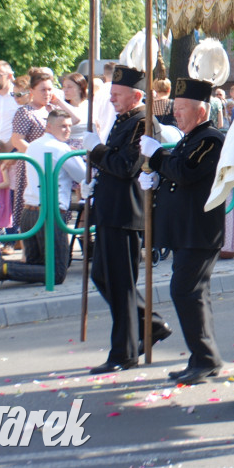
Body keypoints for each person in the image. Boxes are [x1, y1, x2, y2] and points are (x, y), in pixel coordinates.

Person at [83, 65, 172, 374]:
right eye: (111, 95)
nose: (112, 100)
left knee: (121, 284)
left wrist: (96, 151)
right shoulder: (124, 120)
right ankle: (152, 325)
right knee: (103, 277)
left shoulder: (144, 124)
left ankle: (123, 353)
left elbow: (126, 167)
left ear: (136, 95)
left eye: (117, 95)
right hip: (110, 210)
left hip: (126, 214)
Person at [140, 77, 225, 383]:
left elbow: (186, 172)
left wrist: (158, 156)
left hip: (199, 231)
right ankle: (202, 357)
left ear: (201, 111)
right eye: (175, 107)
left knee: (187, 291)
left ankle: (206, 358)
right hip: (185, 231)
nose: (175, 114)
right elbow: (175, 175)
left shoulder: (211, 139)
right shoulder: (190, 138)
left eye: (182, 108)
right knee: (190, 293)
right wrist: (155, 178)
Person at [0, 110, 87, 290]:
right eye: (62, 126)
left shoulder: (34, 145)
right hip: (49, 213)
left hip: (29, 212)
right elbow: (84, 174)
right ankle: (2, 267)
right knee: (57, 273)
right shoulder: (61, 148)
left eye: (69, 126)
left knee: (36, 264)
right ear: (49, 126)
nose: (67, 130)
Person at [10, 71, 56, 229]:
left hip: (53, 166)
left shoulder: (52, 110)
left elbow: (75, 121)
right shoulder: (25, 112)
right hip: (33, 166)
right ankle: (26, 252)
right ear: (32, 91)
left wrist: (60, 103)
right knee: (31, 214)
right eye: (43, 90)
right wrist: (37, 156)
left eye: (50, 89)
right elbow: (17, 139)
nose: (48, 93)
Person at [58, 73, 90, 149]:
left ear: (80, 88)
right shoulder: (61, 108)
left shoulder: (91, 105)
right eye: (64, 87)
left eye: (69, 87)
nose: (65, 90)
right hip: (70, 150)